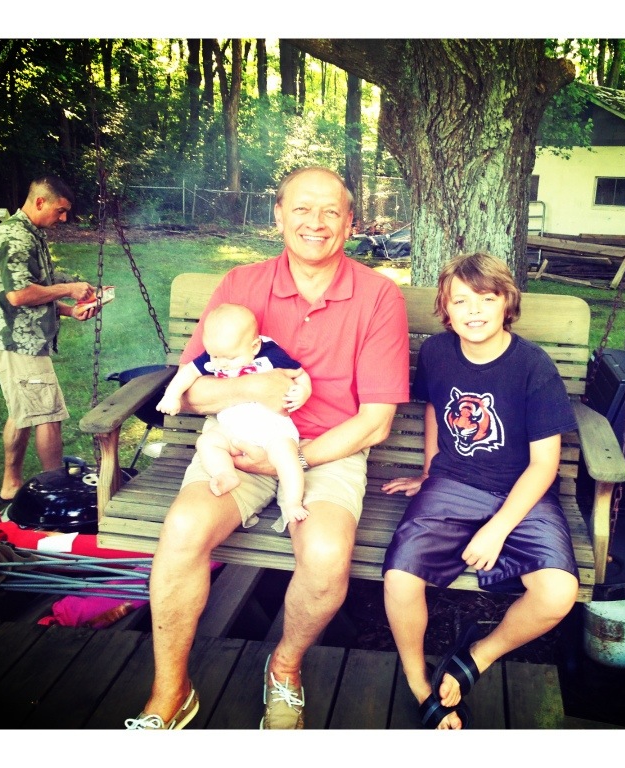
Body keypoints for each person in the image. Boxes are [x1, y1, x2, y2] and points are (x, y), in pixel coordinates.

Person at [124, 166, 410, 730]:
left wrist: (292, 461)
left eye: (330, 211)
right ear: (278, 215)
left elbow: (376, 423)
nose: (315, 222)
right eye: (301, 208)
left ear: (350, 223)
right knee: (183, 528)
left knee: (325, 555)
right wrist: (255, 388)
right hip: (236, 441)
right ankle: (170, 692)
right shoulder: (240, 286)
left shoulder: (378, 297)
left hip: (327, 450)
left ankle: (284, 667)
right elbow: (192, 392)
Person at [380, 252, 580, 730]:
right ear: (445, 309)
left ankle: (478, 655)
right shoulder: (438, 352)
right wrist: (430, 472)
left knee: (557, 593)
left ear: (506, 302)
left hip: (523, 492)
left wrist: (497, 529)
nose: (473, 310)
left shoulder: (532, 366)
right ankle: (418, 681)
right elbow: (435, 408)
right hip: (452, 484)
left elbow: (544, 464)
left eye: (486, 299)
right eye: (460, 300)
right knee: (400, 578)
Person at [0, 175, 100, 504]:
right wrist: (68, 289)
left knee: (23, 411)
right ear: (40, 201)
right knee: (48, 413)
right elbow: (19, 295)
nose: (64, 218)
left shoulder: (31, 233)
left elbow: (37, 289)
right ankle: (56, 492)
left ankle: (11, 484)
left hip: (20, 337)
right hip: (17, 340)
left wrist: (69, 310)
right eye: (60, 210)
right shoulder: (15, 236)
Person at [155, 302, 313, 525]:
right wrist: (172, 395)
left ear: (254, 346)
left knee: (287, 456)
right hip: (233, 429)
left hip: (272, 429)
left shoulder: (270, 355)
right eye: (214, 356)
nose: (221, 364)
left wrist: (303, 391)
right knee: (207, 442)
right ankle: (226, 474)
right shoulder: (217, 355)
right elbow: (189, 371)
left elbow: (299, 373)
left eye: (229, 359)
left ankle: (293, 502)